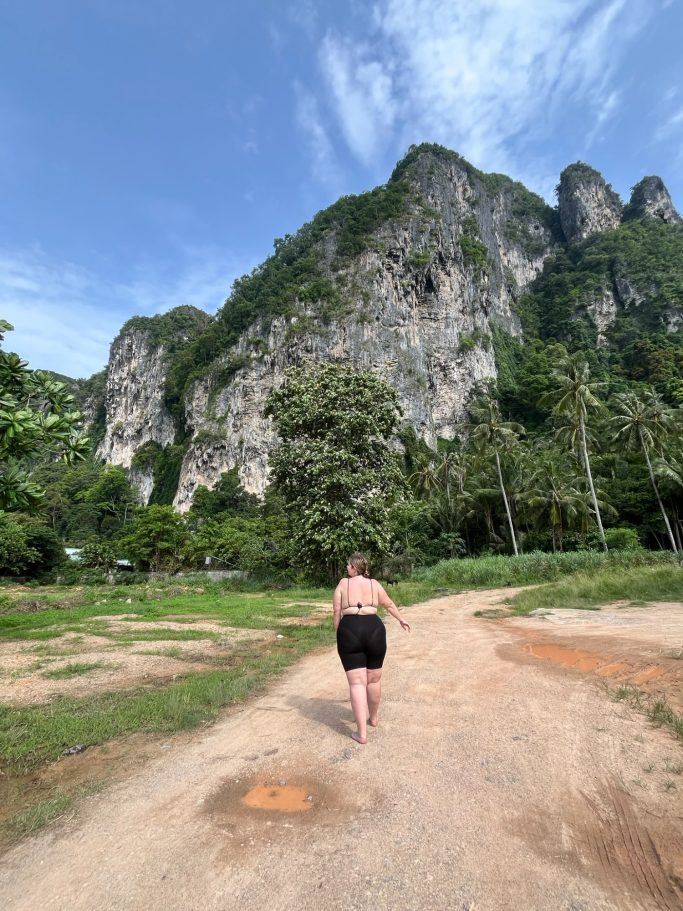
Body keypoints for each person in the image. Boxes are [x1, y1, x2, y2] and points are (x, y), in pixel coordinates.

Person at [333, 552, 411, 744]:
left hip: (350, 630)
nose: (346, 568)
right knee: (374, 680)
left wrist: (339, 633)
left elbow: (336, 610)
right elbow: (389, 604)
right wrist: (401, 619)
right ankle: (373, 718)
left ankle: (361, 734)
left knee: (357, 683)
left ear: (353, 567)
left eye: (347, 565)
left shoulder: (343, 584)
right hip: (374, 630)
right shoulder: (374, 584)